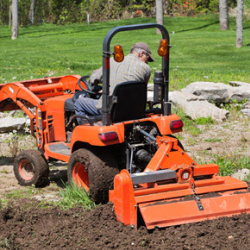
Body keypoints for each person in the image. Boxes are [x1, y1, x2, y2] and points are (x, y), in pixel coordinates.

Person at [74, 42, 155, 122]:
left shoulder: (112, 61)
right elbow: (141, 90)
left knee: (79, 103)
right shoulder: (146, 68)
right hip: (133, 111)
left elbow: (92, 80)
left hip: (111, 111)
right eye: (147, 59)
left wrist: (94, 79)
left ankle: (86, 128)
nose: (146, 62)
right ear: (141, 53)